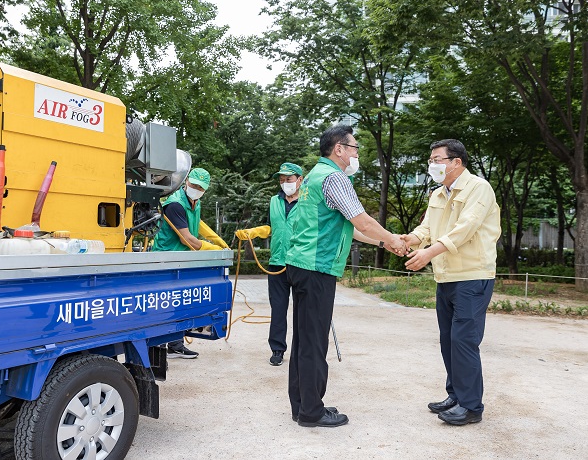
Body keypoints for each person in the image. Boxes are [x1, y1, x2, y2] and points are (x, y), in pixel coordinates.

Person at [285, 125, 407, 428]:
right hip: (317, 269)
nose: (356, 154)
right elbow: (362, 221)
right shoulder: (335, 178)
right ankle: (312, 412)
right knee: (314, 343)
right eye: (354, 148)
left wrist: (383, 240)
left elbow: (348, 226)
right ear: (339, 149)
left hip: (302, 266)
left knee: (303, 340)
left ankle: (301, 405)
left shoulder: (314, 176)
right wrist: (393, 240)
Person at [402, 139, 501, 426]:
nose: (432, 164)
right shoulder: (437, 194)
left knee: (464, 341)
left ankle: (471, 407)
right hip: (445, 276)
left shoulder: (478, 188)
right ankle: (456, 394)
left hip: (473, 275)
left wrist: (427, 254)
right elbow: (428, 228)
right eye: (431, 160)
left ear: (456, 161)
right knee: (448, 341)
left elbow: (465, 229)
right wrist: (410, 239)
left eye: (437, 159)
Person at [153, 167, 228, 358]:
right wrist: (215, 250)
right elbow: (187, 239)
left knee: (178, 304)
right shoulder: (175, 204)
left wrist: (217, 239)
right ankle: (157, 347)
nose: (196, 189)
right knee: (165, 305)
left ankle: (175, 345)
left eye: (200, 187)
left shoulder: (194, 201)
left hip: (181, 260)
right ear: (186, 181)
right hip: (167, 259)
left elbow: (199, 224)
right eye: (193, 185)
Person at [235, 162, 304, 367]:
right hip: (276, 263)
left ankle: (302, 351)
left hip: (300, 263)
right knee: (278, 308)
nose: (285, 183)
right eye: (281, 180)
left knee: (303, 311)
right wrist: (254, 232)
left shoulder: (309, 201)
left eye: (289, 179)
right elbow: (271, 227)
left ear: (300, 180)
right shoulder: (274, 200)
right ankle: (277, 349)